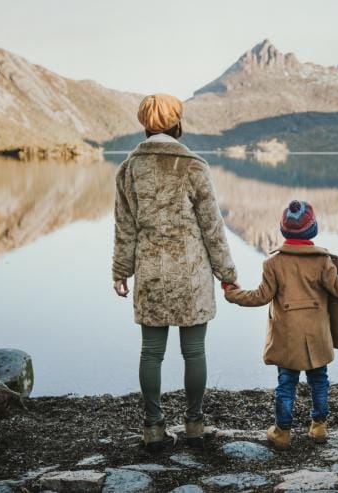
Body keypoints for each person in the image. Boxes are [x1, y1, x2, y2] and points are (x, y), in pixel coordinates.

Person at [112, 93, 237, 451]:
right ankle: (194, 425)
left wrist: (121, 270)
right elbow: (212, 226)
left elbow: (125, 228)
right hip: (191, 271)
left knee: (151, 352)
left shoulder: (128, 168)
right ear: (176, 123)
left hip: (150, 269)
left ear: (145, 125)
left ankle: (153, 427)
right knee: (194, 350)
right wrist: (226, 272)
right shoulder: (194, 166)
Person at [223, 200, 338, 449]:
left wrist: (233, 293)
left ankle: (283, 432)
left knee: (286, 383)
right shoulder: (322, 261)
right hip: (317, 335)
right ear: (313, 230)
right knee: (319, 380)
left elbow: (259, 297)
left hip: (287, 337)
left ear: (283, 230)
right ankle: (318, 427)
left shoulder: (273, 263)